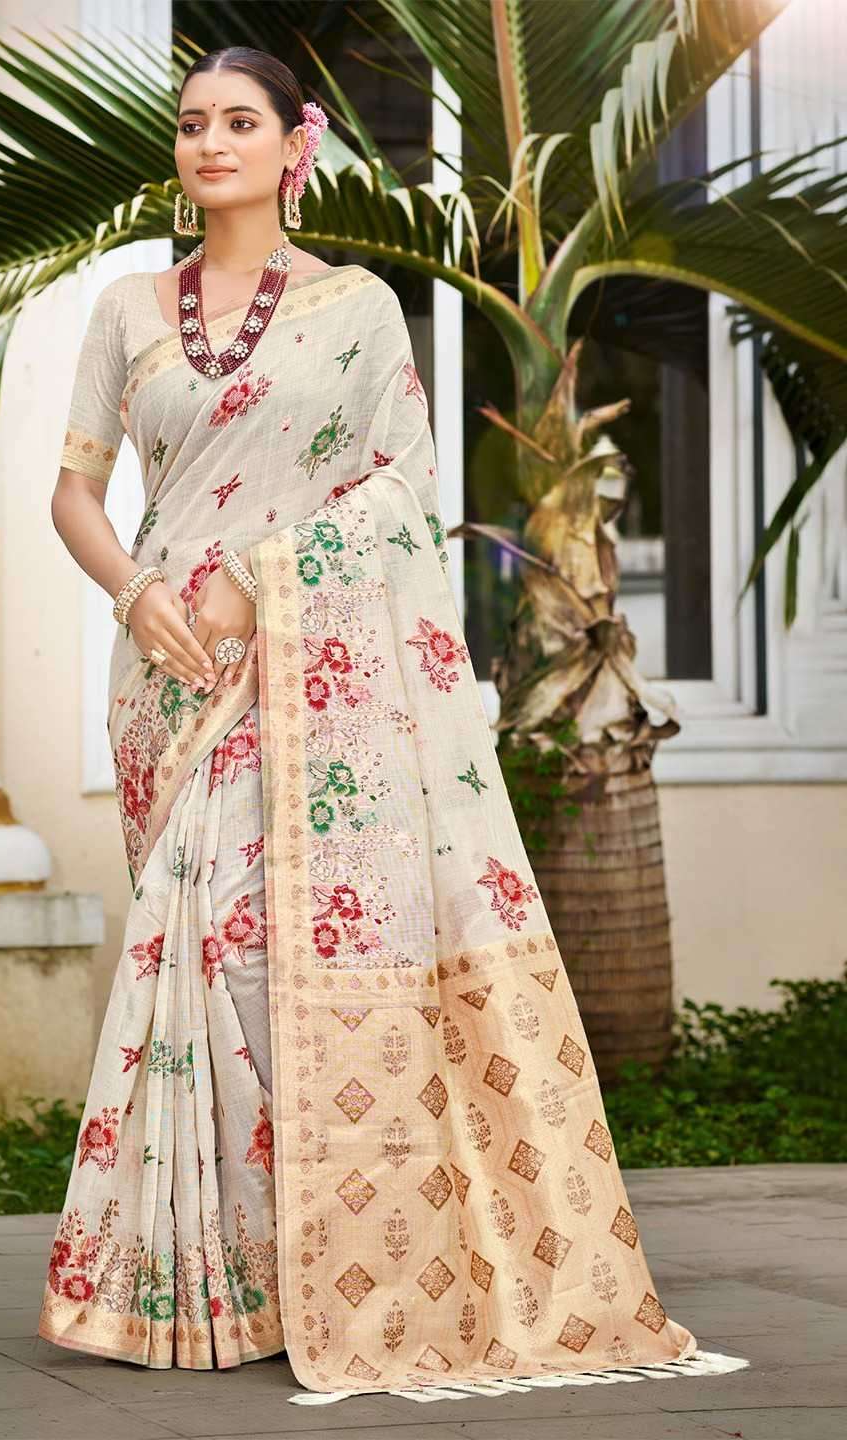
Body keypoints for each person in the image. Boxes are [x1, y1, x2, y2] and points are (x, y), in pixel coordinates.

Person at [37, 45, 714, 1404]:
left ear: (295, 146)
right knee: (198, 960)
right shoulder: (125, 309)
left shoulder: (354, 311)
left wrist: (259, 581)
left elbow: (401, 487)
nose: (208, 142)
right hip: (166, 677)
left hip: (301, 668)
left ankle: (326, 1262)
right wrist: (137, 593)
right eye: (191, 123)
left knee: (253, 950)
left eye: (239, 121)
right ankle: (215, 1282)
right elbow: (76, 493)